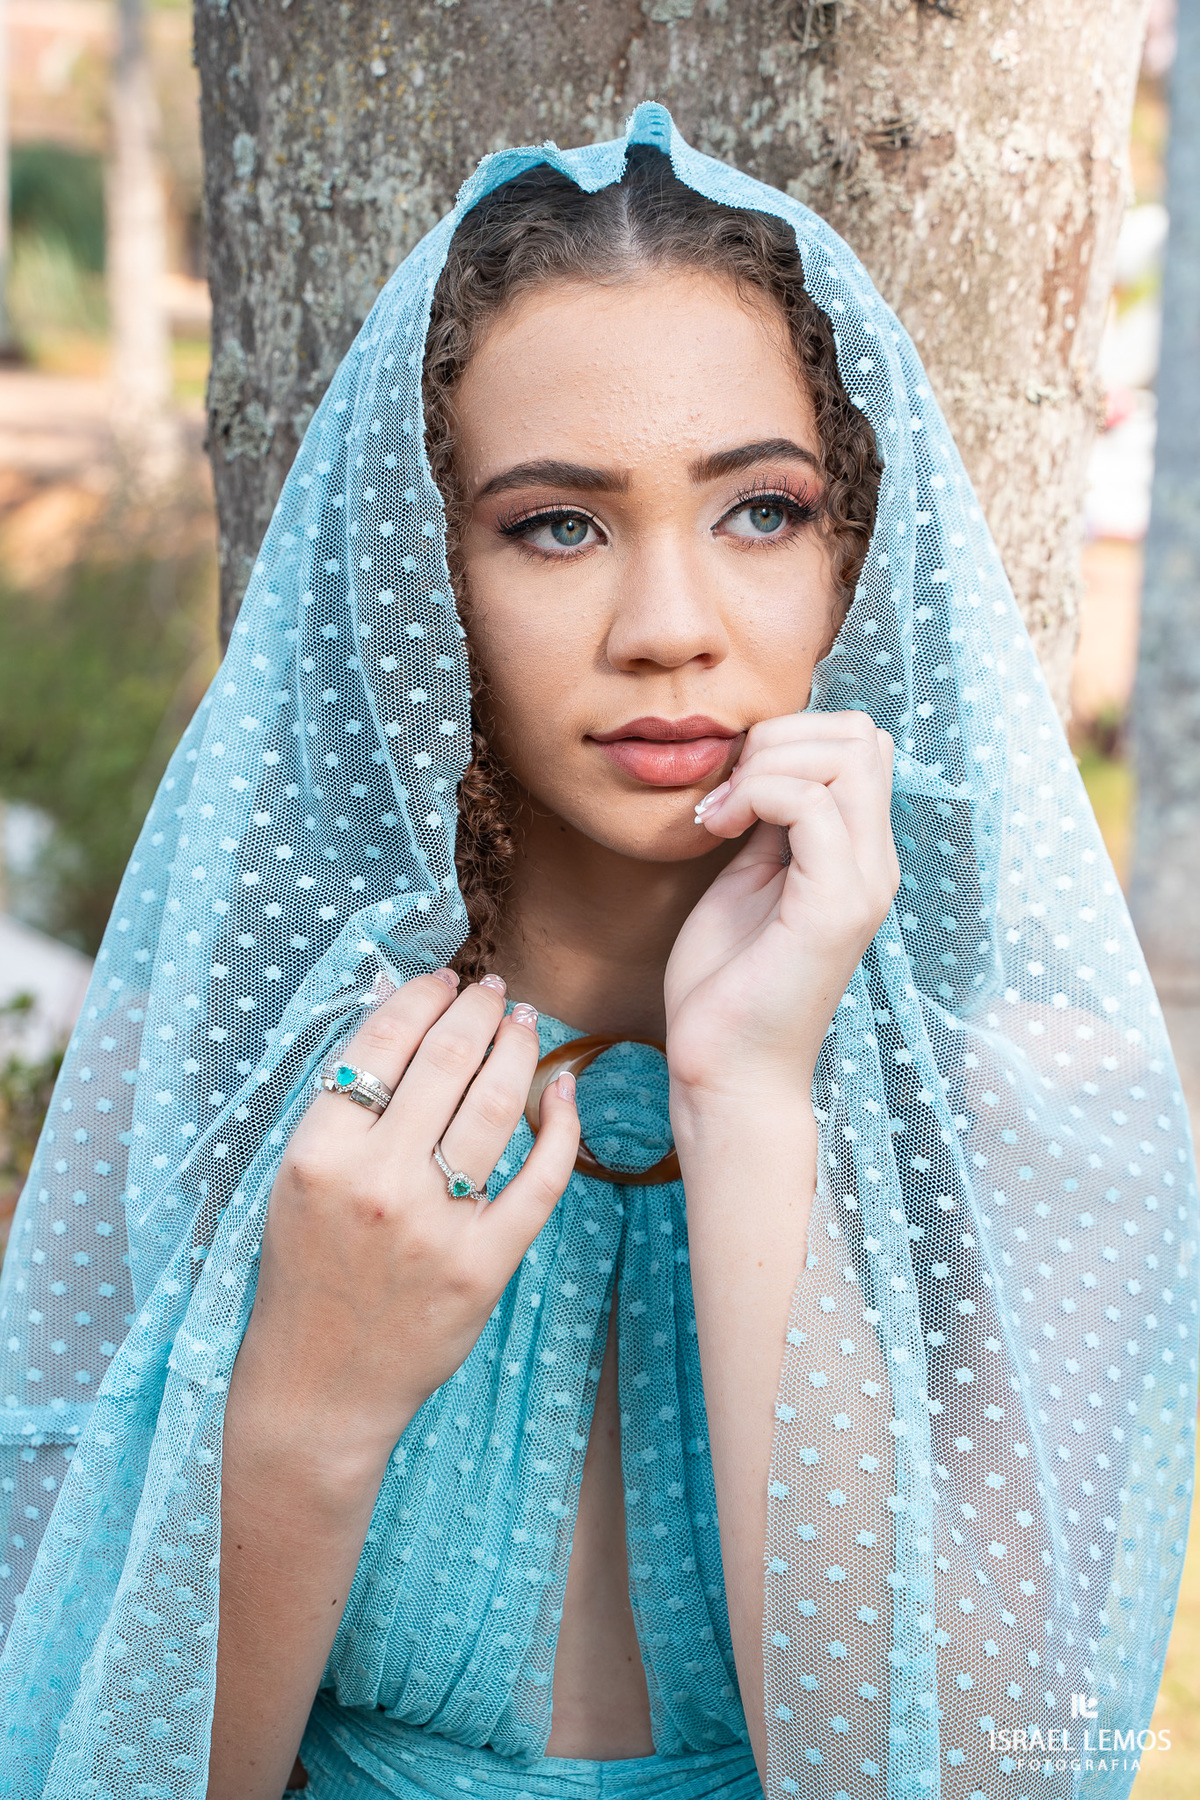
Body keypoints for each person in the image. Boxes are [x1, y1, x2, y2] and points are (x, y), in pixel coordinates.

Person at [0, 106, 1193, 1800]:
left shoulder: (1026, 1122)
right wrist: (305, 1418)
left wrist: (752, 1096)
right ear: (429, 576)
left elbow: (973, 1781)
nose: (672, 626)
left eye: (761, 512)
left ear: (858, 543)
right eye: (556, 524)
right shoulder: (245, 1077)